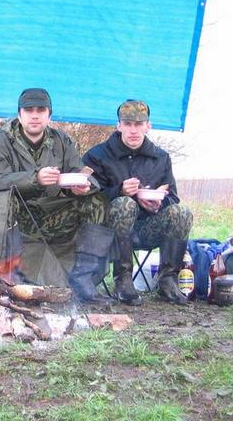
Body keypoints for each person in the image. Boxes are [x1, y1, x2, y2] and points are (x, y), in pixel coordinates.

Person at [0, 88, 115, 305]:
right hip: (15, 218)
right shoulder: (1, 141)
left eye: (41, 110)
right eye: (29, 110)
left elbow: (81, 171)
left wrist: (80, 185)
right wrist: (34, 178)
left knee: (96, 200)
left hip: (52, 215)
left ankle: (84, 278)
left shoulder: (61, 141)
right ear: (20, 115)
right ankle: (10, 276)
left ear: (49, 115)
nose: (35, 115)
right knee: (2, 198)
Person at [83, 99, 193, 305]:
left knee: (182, 212)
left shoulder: (160, 158)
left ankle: (168, 279)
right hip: (109, 232)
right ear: (119, 126)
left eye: (139, 124)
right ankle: (123, 279)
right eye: (128, 124)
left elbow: (173, 196)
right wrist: (120, 191)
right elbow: (85, 198)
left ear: (148, 126)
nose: (133, 130)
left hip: (147, 229)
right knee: (125, 204)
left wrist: (160, 203)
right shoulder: (97, 155)